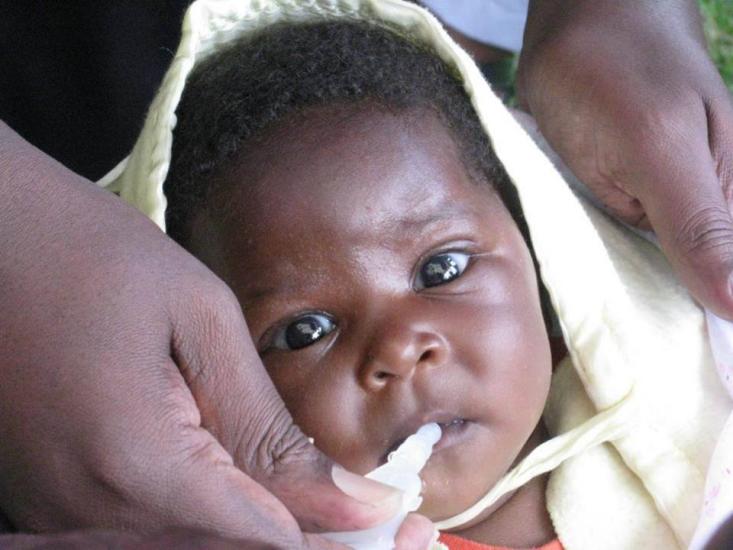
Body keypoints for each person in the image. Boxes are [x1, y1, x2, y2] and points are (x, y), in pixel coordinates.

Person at [1, 1, 733, 548]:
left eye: (441, 268)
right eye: (304, 330)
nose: (398, 348)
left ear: (546, 270)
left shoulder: (701, 404)